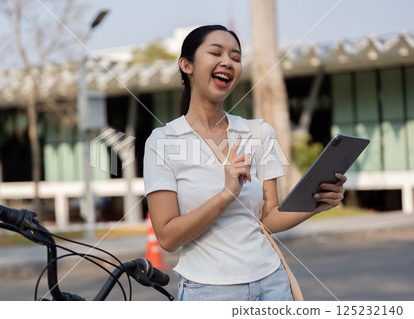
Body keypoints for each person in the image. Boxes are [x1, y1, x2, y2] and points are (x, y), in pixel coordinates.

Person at [143, 25, 346, 301]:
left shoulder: (260, 132)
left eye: (236, 57)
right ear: (186, 65)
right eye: (216, 52)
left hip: (272, 285)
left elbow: (268, 218)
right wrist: (226, 194)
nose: (227, 62)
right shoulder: (162, 141)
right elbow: (167, 238)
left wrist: (317, 204)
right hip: (207, 292)